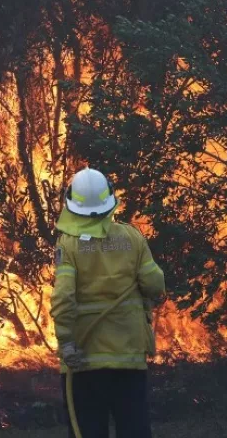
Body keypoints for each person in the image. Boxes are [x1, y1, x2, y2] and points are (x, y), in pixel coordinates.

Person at [50, 168, 166, 438]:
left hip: (83, 363)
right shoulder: (132, 237)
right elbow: (155, 285)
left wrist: (66, 342)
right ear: (111, 201)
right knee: (134, 429)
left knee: (88, 430)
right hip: (129, 360)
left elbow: (63, 298)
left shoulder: (68, 245)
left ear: (72, 204)